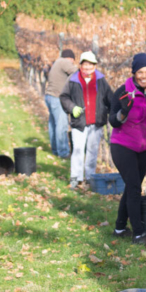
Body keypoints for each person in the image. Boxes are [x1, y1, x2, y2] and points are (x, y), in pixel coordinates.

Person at [109, 53, 146, 245]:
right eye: (140, 72)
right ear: (134, 73)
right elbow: (112, 120)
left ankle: (119, 227)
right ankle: (138, 233)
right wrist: (122, 112)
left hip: (144, 148)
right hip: (122, 145)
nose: (144, 76)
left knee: (132, 186)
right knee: (134, 187)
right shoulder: (123, 92)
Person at [60, 51, 113, 189]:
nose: (87, 69)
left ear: (95, 66)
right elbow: (64, 97)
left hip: (96, 122)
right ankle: (76, 178)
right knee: (77, 149)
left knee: (92, 151)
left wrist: (116, 114)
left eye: (90, 66)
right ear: (80, 65)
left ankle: (90, 178)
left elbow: (110, 98)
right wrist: (72, 108)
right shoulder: (73, 79)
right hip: (79, 122)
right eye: (85, 66)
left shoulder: (101, 80)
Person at [45, 49, 78, 158]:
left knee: (53, 124)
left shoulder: (57, 63)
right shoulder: (64, 62)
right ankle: (63, 152)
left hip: (50, 96)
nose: (72, 63)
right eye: (73, 61)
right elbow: (78, 72)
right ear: (71, 58)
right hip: (57, 98)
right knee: (61, 125)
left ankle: (55, 149)